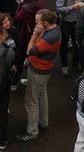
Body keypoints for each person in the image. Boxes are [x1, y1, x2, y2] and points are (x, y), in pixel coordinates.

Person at [16, 9, 61, 142]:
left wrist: (35, 35)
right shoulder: (54, 28)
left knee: (31, 101)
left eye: (38, 21)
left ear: (45, 23)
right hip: (45, 70)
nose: (36, 23)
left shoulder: (49, 38)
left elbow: (29, 51)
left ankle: (32, 131)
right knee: (41, 94)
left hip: (38, 71)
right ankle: (43, 122)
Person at [13, 0, 45, 90]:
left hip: (25, 37)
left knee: (19, 60)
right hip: (37, 35)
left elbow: (17, 16)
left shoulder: (26, 7)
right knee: (34, 59)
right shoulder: (40, 3)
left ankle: (13, 82)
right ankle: (32, 80)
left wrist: (21, 2)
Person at [55, 0, 84, 76]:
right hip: (65, 22)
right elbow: (58, 9)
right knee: (64, 44)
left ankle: (75, 63)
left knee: (78, 43)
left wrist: (83, 6)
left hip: (77, 22)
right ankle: (64, 65)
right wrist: (72, 7)